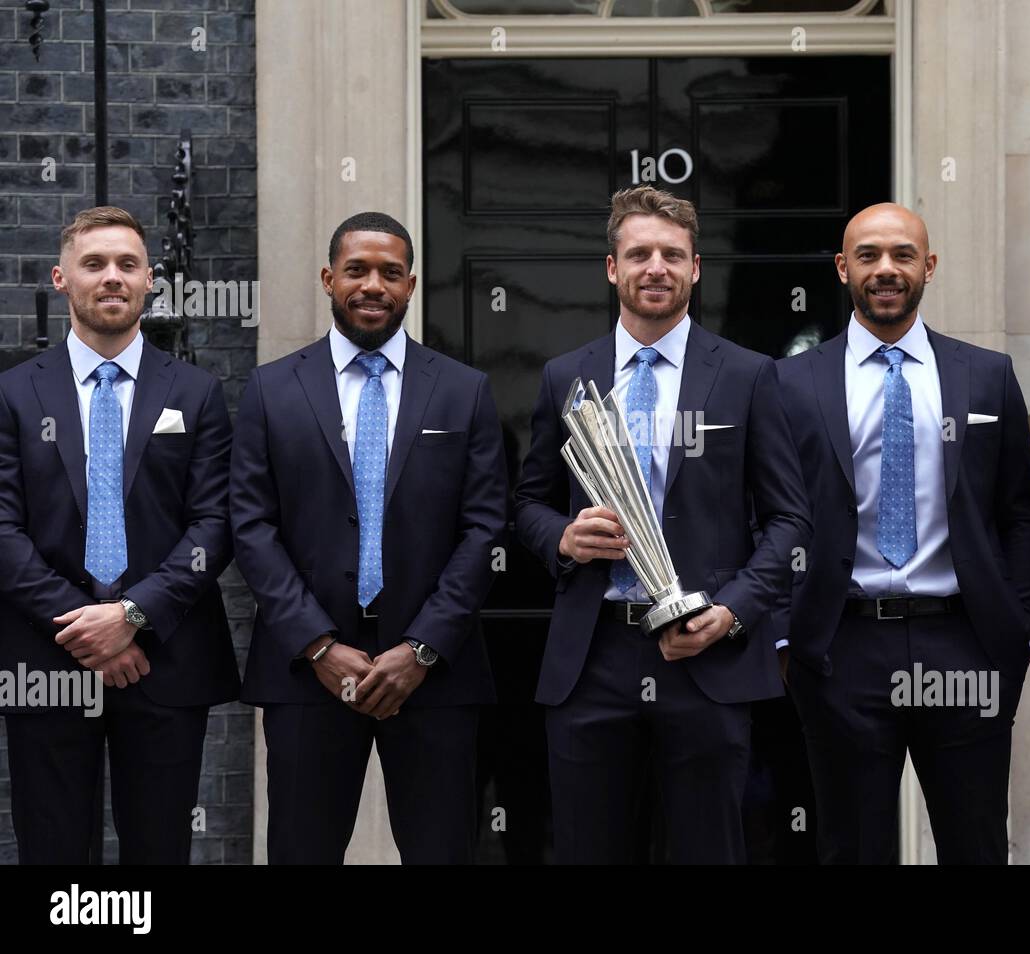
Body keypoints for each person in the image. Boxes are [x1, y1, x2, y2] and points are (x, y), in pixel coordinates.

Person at [514, 186, 809, 864]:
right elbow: (526, 502)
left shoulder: (748, 375)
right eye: (639, 253)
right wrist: (559, 536)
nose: (657, 268)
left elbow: (790, 519)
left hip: (705, 655)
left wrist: (733, 610)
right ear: (613, 268)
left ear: (696, 268)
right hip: (593, 659)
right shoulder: (566, 376)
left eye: (672, 255)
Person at [231, 212, 507, 863]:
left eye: (389, 272)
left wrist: (422, 648)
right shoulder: (271, 390)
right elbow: (250, 525)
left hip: (435, 675)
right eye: (356, 269)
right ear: (329, 278)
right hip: (306, 674)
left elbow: (485, 527)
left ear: (411, 285)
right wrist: (319, 644)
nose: (372, 285)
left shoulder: (465, 392)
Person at [776, 203, 1030, 863]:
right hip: (842, 647)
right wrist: (786, 632)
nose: (885, 270)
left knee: (976, 843)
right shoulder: (789, 382)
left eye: (901, 255)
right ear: (843, 269)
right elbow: (768, 513)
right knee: (853, 847)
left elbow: (1020, 513)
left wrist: (1020, 627)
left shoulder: (986, 375)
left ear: (929, 266)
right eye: (867, 256)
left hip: (965, 641)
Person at [0, 206, 239, 863]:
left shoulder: (195, 393)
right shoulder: (14, 394)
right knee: (52, 852)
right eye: (95, 263)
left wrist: (133, 615)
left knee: (159, 850)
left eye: (128, 265)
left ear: (149, 283)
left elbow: (214, 523)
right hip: (47, 662)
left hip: (166, 659)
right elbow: (2, 527)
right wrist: (87, 629)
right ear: (60, 278)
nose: (113, 277)